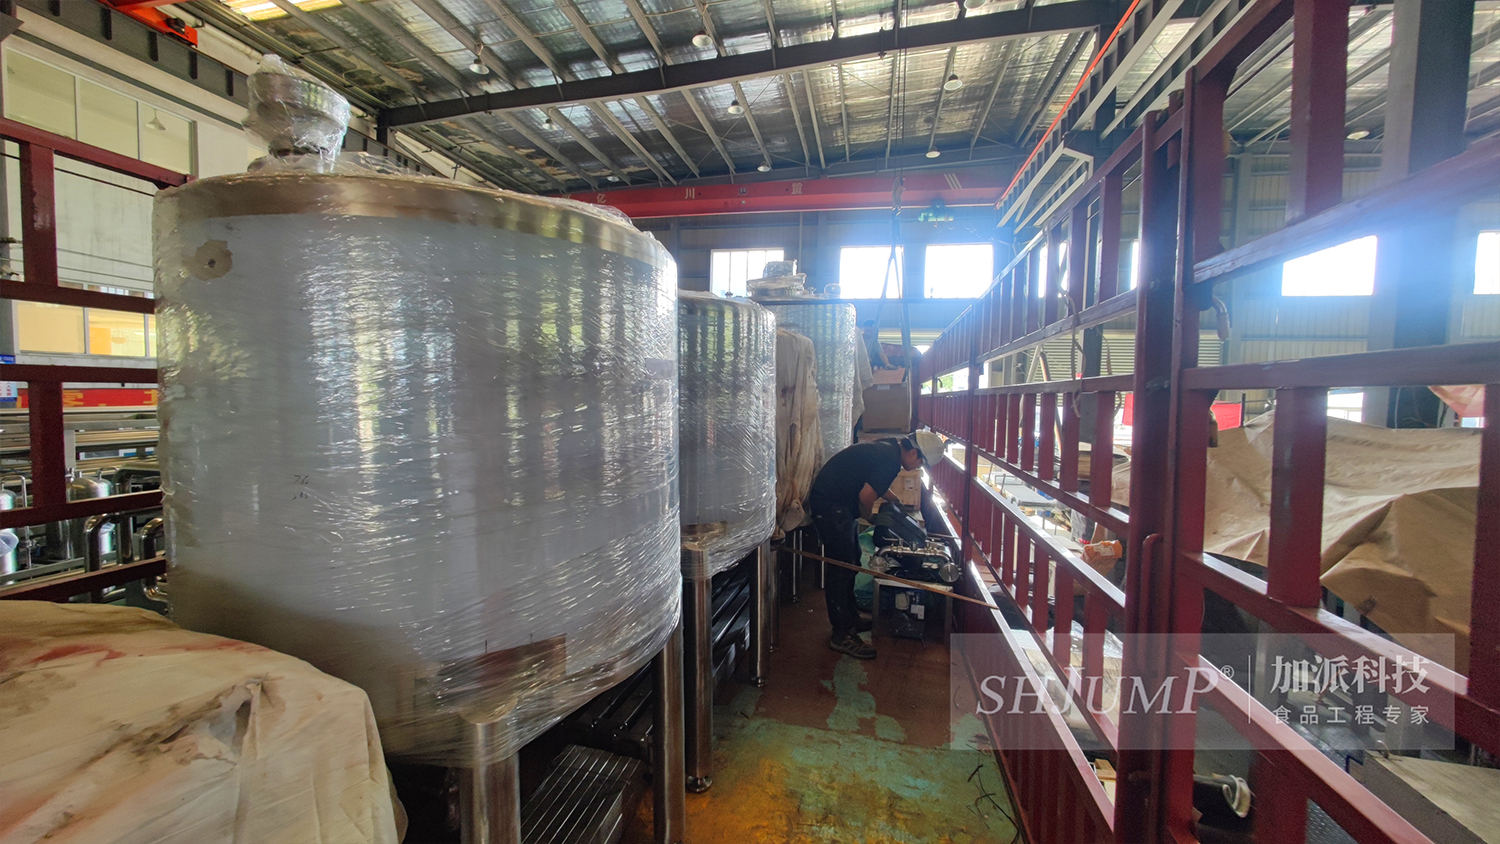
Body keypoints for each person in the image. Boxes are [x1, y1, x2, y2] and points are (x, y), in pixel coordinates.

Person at [807, 433, 944, 659]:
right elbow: (866, 497)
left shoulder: (890, 448)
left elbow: (875, 484)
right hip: (832, 505)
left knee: (852, 559)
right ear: (913, 453)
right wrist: (871, 519)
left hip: (837, 502)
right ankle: (841, 634)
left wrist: (895, 501)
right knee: (842, 568)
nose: (918, 467)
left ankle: (850, 618)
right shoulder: (890, 460)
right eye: (921, 462)